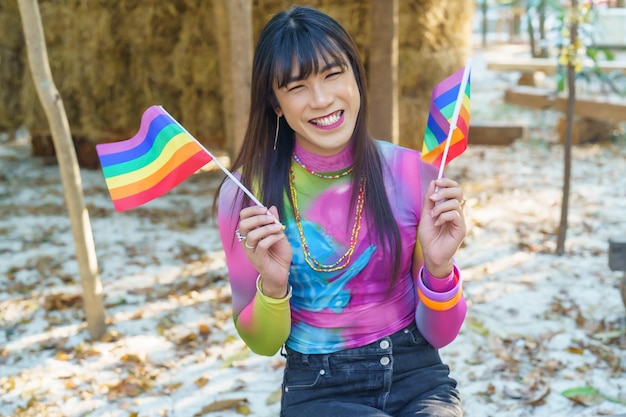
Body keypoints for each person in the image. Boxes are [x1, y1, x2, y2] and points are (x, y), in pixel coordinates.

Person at [215, 5, 467, 417]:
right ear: (275, 103)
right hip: (317, 392)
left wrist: (438, 270)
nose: (322, 99)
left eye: (334, 74)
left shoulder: (415, 173)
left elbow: (440, 333)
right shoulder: (247, 194)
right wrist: (274, 287)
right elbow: (261, 343)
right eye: (297, 87)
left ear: (355, 76)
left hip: (416, 377)